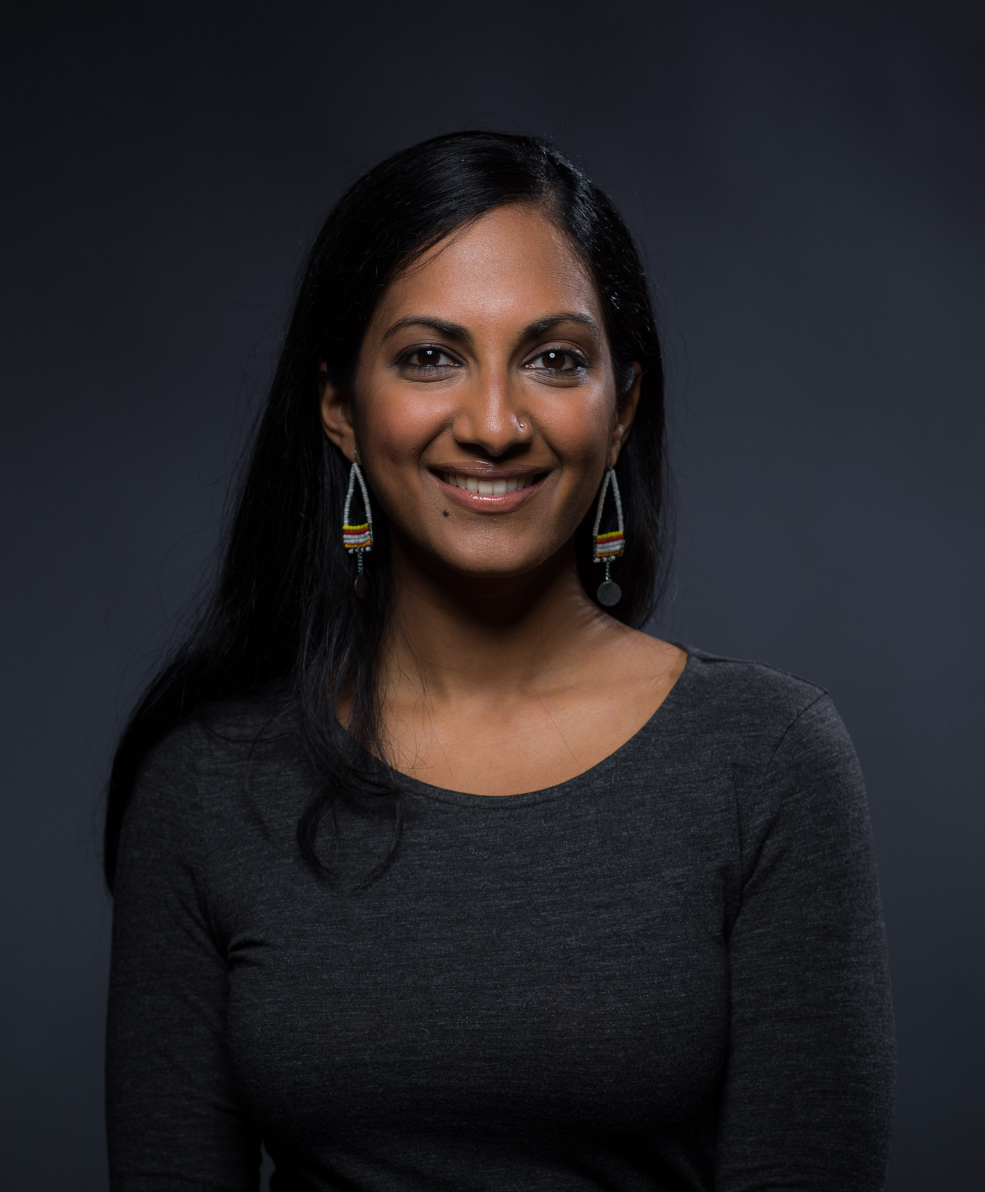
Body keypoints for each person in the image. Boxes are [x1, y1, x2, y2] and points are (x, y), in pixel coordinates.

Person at [104, 131, 895, 1192]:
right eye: (430, 355)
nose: (492, 423)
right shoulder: (203, 789)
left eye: (554, 358)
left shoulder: (766, 760)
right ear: (339, 407)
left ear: (621, 409)